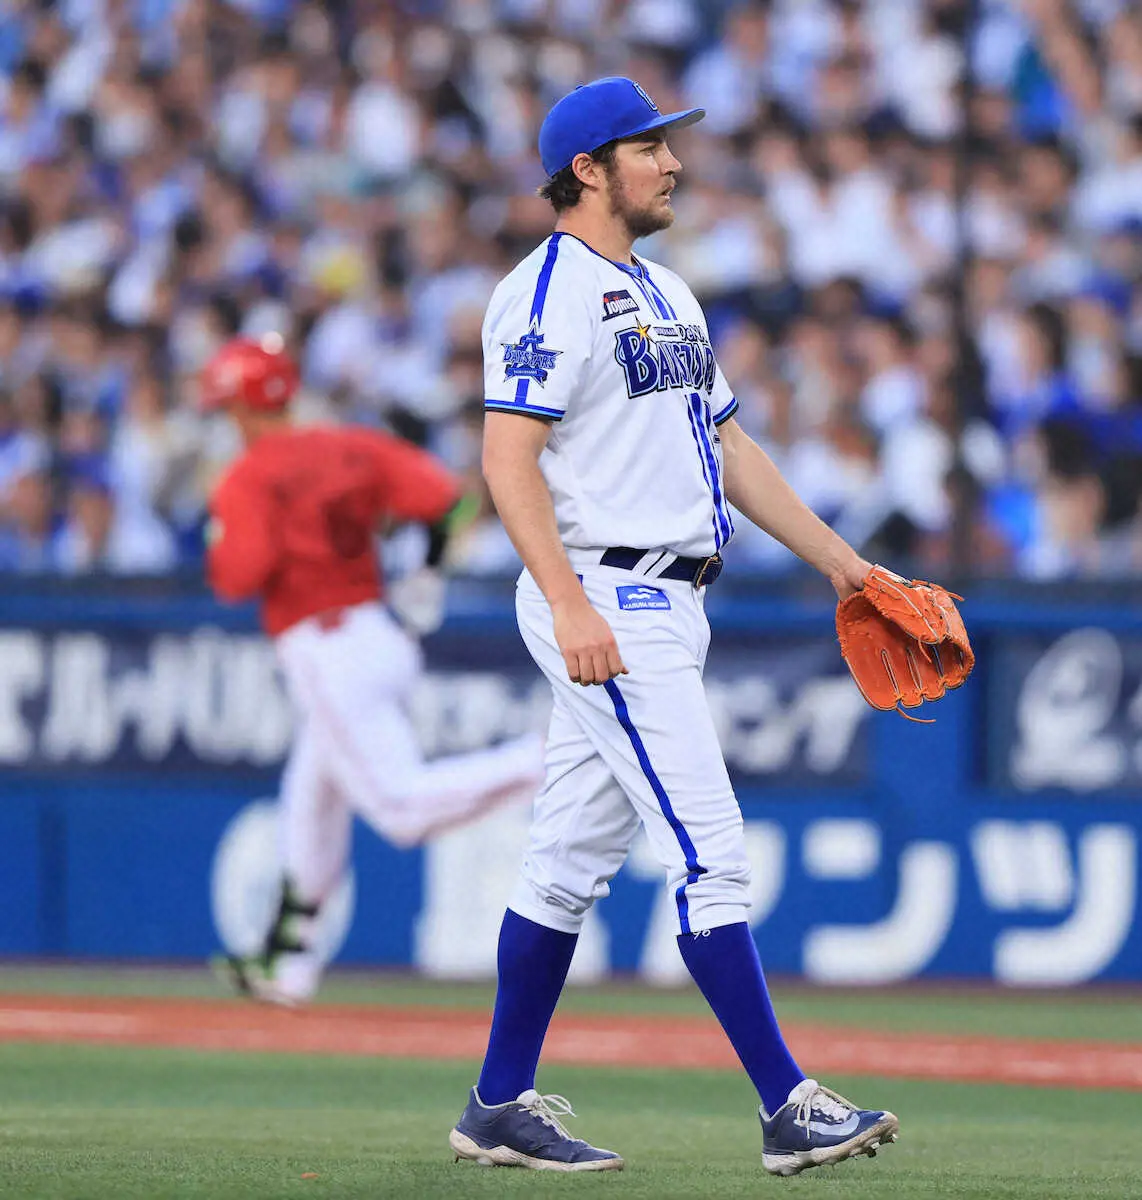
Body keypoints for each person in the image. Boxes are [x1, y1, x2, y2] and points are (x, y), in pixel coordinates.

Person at [448, 77, 900, 1177]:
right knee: (710, 850)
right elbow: (506, 459)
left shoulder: (668, 291)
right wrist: (567, 602)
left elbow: (732, 449)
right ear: (587, 169)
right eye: (649, 147)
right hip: (604, 594)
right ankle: (786, 1104)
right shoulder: (544, 289)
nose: (673, 163)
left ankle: (496, 1105)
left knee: (564, 864)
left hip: (670, 594)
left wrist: (845, 567)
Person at [201, 334, 544, 1007]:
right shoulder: (348, 445)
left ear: (240, 408)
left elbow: (237, 577)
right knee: (310, 793)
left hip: (324, 646)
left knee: (399, 808)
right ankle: (289, 959)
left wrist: (222, 528)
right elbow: (452, 499)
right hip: (379, 633)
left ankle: (550, 758)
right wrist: (429, 570)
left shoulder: (246, 476)